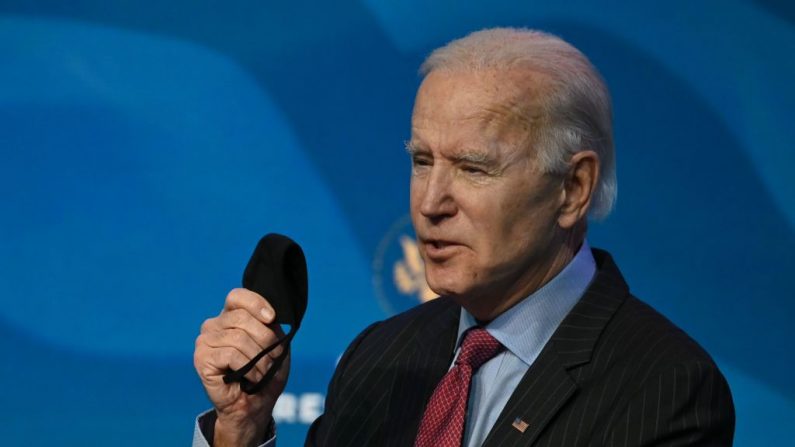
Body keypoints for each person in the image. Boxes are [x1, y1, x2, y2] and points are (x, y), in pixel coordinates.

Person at [193, 28, 735, 446]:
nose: (430, 203)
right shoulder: (378, 357)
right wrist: (240, 428)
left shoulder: (667, 386)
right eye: (422, 161)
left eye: (474, 169)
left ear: (572, 188)